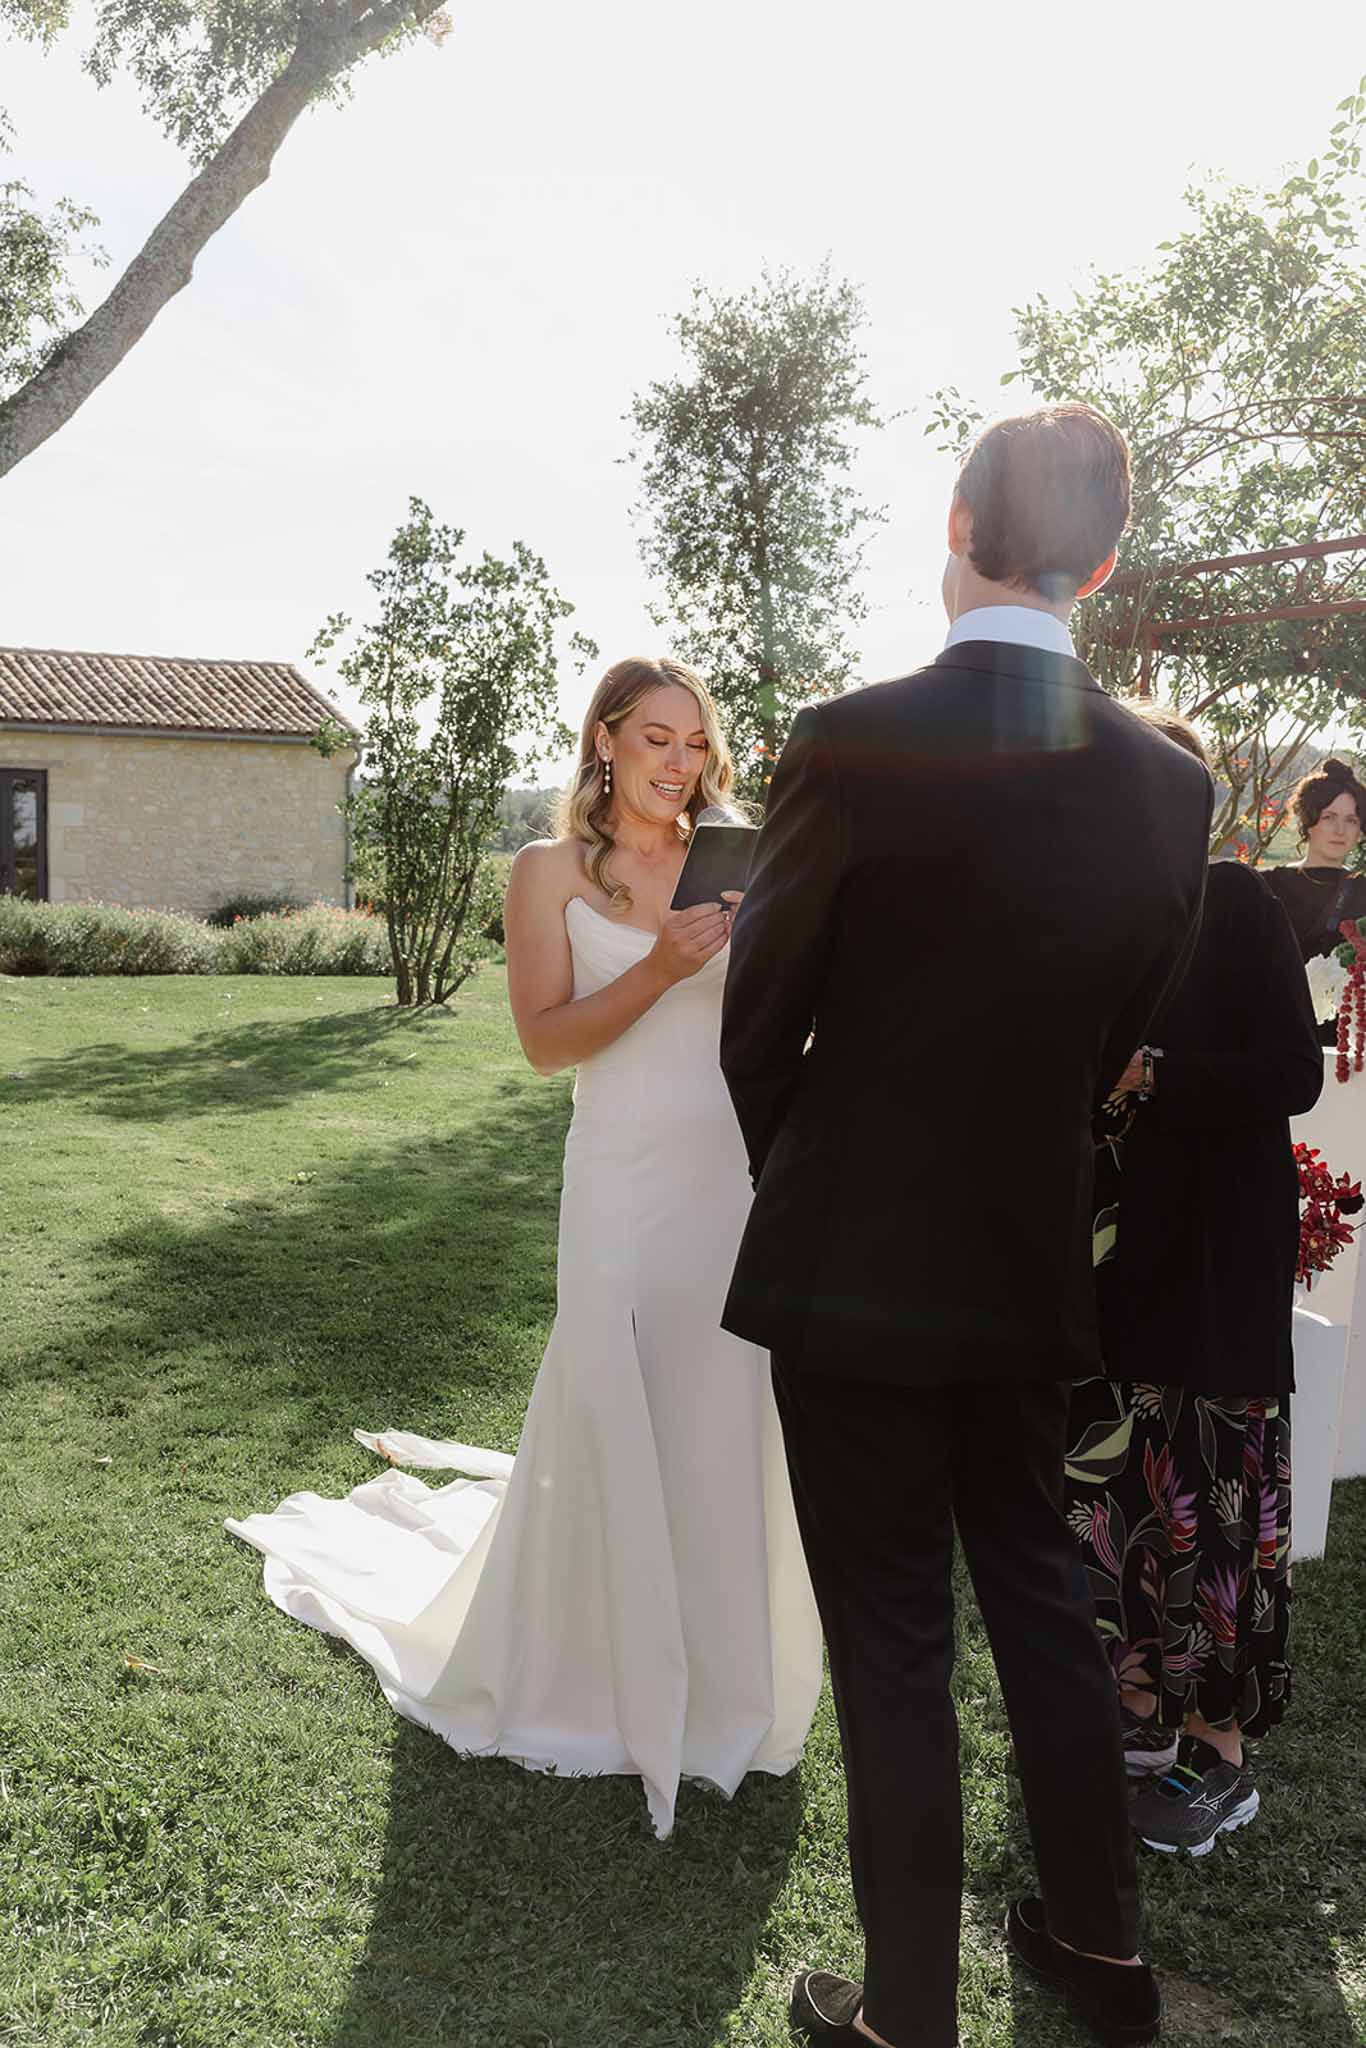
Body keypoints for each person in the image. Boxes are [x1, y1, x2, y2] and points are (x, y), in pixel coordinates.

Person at [720, 405, 1212, 2048]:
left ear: (956, 519)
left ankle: (905, 2018)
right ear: (1110, 560)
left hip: (851, 1271)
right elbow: (1119, 1040)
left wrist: (813, 1179)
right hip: (1026, 1267)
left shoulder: (847, 734)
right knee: (1037, 1606)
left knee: (890, 1643)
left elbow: (758, 1017)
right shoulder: (1170, 785)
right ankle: (1101, 1955)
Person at [228, 656, 822, 1839]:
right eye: (657, 737)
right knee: (613, 1385)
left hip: (729, 1175)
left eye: (696, 744)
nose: (679, 762)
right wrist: (662, 964)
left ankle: (715, 1672)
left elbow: (786, 1031)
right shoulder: (547, 870)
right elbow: (545, 1043)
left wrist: (776, 951)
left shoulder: (742, 865)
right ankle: (584, 1670)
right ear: (605, 740)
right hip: (619, 1176)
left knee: (717, 1402)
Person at [1068, 705, 1323, 1855]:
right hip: (1113, 1255)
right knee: (1121, 1483)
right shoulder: (1083, 907)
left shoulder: (1241, 904)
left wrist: (1156, 1072)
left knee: (1215, 1492)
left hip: (1220, 1249)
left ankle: (1218, 1749)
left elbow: (1291, 1072)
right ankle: (1135, 1708)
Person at [1263, 757, 1366, 967]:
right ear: (1308, 821)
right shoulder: (1267, 885)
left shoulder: (1363, 891)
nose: (1340, 830)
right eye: (1329, 817)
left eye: (1351, 820)